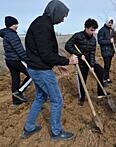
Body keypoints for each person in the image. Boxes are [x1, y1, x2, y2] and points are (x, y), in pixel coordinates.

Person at [22, 0, 78, 141]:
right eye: (62, 16)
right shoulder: (43, 26)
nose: (63, 20)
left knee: (40, 97)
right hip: (41, 71)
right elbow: (46, 54)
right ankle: (56, 132)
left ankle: (29, 127)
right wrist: (67, 61)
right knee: (57, 100)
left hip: (36, 68)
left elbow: (44, 51)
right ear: (56, 12)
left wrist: (58, 64)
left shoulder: (42, 23)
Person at [65, 18, 109, 107]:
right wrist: (79, 54)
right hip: (80, 62)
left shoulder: (93, 40)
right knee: (82, 80)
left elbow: (92, 53)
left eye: (94, 30)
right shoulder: (78, 36)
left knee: (100, 71)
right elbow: (67, 46)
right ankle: (82, 98)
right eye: (91, 30)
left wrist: (92, 65)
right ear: (86, 28)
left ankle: (100, 93)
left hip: (89, 60)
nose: (93, 32)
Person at [0, 16, 31, 106]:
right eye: (15, 24)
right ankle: (19, 92)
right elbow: (19, 50)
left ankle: (16, 101)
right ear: (10, 25)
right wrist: (28, 60)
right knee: (32, 74)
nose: (17, 26)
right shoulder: (12, 35)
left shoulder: (6, 34)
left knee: (15, 79)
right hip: (16, 60)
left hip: (9, 61)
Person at [98, 17, 115, 87]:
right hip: (105, 51)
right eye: (109, 22)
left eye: (111, 22)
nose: (110, 24)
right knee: (106, 65)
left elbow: (113, 40)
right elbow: (100, 41)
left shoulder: (112, 30)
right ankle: (104, 80)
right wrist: (109, 41)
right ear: (106, 22)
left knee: (108, 66)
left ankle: (107, 78)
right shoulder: (102, 30)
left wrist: (114, 47)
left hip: (111, 51)